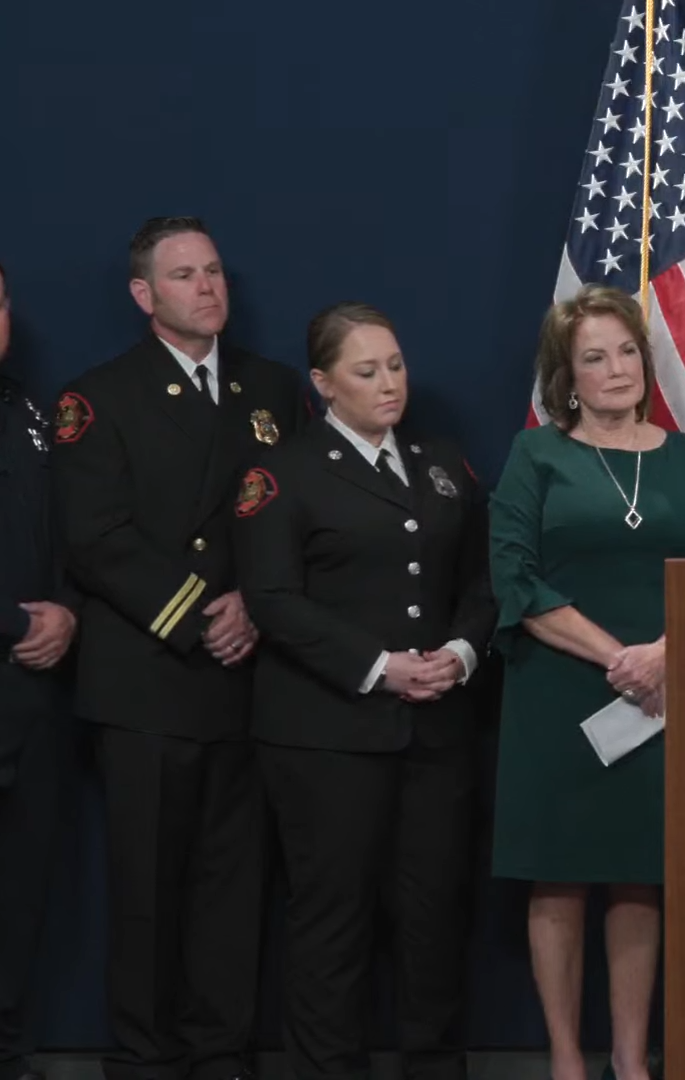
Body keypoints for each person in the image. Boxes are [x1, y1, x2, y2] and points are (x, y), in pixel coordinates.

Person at [50, 216, 305, 1080]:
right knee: (149, 892)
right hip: (149, 680)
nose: (208, 287)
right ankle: (147, 1060)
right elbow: (97, 538)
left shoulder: (272, 390)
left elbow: (292, 518)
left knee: (233, 890)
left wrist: (257, 606)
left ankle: (221, 1051)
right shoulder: (98, 397)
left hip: (250, 673)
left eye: (215, 271)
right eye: (186, 275)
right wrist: (203, 613)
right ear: (144, 295)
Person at [234, 303, 493, 1080]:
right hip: (327, 737)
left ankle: (435, 1066)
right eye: (367, 370)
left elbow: (481, 582)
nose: (390, 383)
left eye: (397, 365)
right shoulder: (282, 472)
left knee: (433, 924)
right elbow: (274, 599)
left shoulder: (443, 461)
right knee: (330, 927)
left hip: (436, 735)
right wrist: (381, 665)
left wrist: (458, 651)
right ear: (322, 384)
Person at [490, 284, 685, 1080]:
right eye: (594, 356)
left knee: (639, 873)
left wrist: (662, 653)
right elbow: (515, 581)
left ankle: (629, 1062)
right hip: (559, 693)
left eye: (627, 350)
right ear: (568, 376)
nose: (617, 367)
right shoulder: (537, 455)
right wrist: (615, 657)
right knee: (560, 876)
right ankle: (565, 1058)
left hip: (663, 691)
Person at [0, 260, 80, 1080]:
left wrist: (67, 612)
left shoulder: (31, 412)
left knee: (22, 897)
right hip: (13, 647)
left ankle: (9, 1051)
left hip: (33, 694)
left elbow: (68, 534)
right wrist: (17, 621)